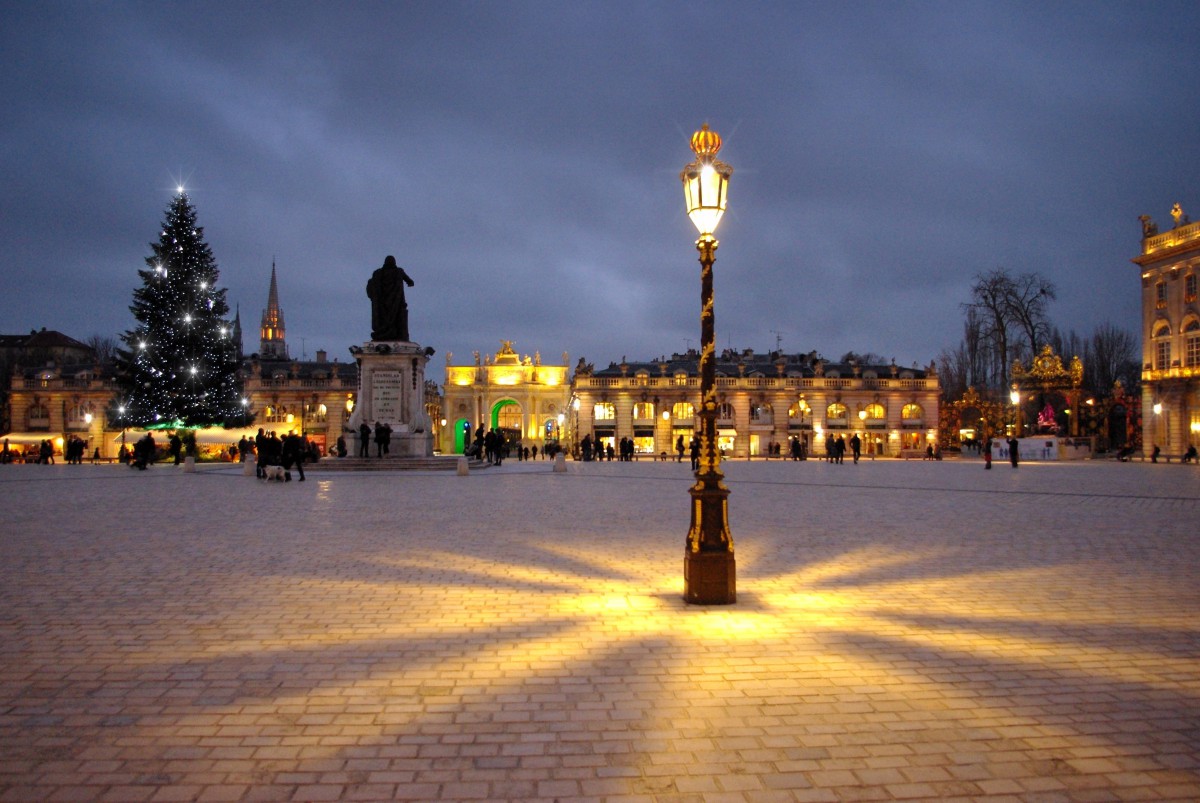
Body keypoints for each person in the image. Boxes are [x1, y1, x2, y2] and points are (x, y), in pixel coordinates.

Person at [366, 255, 415, 341]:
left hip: (381, 302)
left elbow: (370, 286)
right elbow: (410, 281)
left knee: (383, 317)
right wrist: (410, 283)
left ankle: (384, 333)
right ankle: (394, 333)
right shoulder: (399, 271)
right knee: (396, 317)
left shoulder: (378, 273)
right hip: (396, 301)